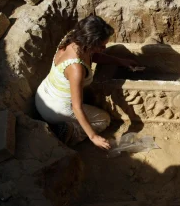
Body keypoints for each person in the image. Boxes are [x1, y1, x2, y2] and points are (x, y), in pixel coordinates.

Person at [35, 15, 138, 149]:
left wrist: (121, 61)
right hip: (56, 110)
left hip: (44, 95)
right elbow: (76, 107)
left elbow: (93, 55)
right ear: (90, 43)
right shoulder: (76, 68)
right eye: (101, 46)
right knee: (104, 120)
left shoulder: (73, 39)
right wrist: (93, 137)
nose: (105, 47)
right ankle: (69, 132)